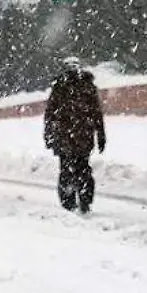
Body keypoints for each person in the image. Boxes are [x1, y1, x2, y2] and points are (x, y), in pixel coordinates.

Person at [43, 57, 106, 214]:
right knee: (83, 168)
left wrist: (49, 135)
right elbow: (96, 114)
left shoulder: (60, 87)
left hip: (64, 137)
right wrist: (100, 135)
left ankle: (69, 202)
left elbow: (50, 114)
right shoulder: (87, 87)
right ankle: (85, 199)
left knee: (66, 169)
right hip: (83, 136)